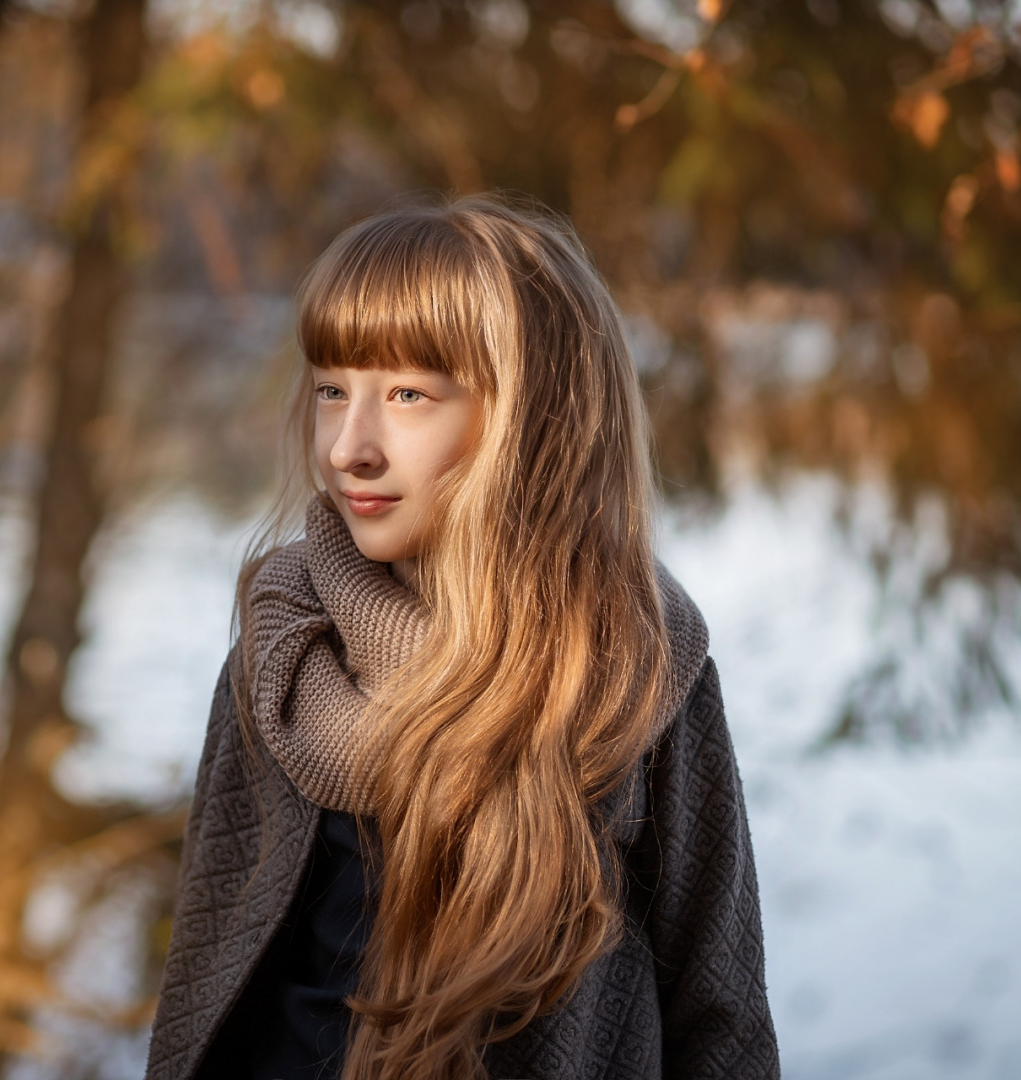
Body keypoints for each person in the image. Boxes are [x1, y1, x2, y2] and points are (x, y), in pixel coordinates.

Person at [143, 195, 778, 1080]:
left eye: (407, 395)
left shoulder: (636, 662)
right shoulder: (284, 644)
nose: (348, 448)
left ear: (527, 421)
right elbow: (202, 973)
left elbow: (724, 1021)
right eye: (333, 390)